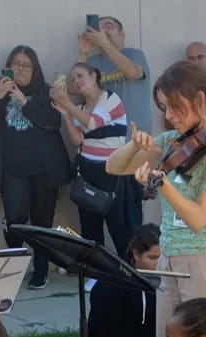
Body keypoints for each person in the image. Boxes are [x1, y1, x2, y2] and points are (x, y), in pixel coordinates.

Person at [106, 61, 206, 337]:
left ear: (198, 99)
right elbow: (114, 167)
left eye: (176, 107)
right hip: (170, 260)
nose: (169, 116)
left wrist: (162, 183)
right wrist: (134, 146)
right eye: (164, 108)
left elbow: (199, 217)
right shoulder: (173, 141)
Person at [0, 45, 71, 289]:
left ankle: (41, 270)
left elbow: (52, 123)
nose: (19, 68)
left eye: (25, 64)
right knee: (15, 220)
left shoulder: (46, 92)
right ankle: (16, 269)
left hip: (44, 170)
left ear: (34, 69)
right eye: (15, 63)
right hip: (11, 172)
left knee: (42, 223)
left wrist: (24, 101)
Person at [53, 62, 133, 262]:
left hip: (112, 170)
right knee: (90, 226)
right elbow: (78, 139)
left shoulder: (110, 99)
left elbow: (92, 122)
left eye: (80, 76)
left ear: (93, 76)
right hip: (88, 170)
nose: (76, 81)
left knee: (118, 227)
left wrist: (67, 104)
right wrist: (66, 116)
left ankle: (131, 272)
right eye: (73, 79)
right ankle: (95, 274)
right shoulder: (80, 107)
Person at [88, 223, 160, 337]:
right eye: (153, 258)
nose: (158, 264)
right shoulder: (111, 284)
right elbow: (105, 333)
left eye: (162, 257)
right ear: (135, 254)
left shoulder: (163, 280)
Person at [78, 15, 151, 131]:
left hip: (135, 136)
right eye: (99, 28)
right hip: (105, 137)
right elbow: (73, 90)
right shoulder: (92, 61)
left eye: (108, 26)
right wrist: (82, 54)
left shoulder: (134, 54)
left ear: (122, 34)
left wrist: (104, 43)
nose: (103, 31)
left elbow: (132, 73)